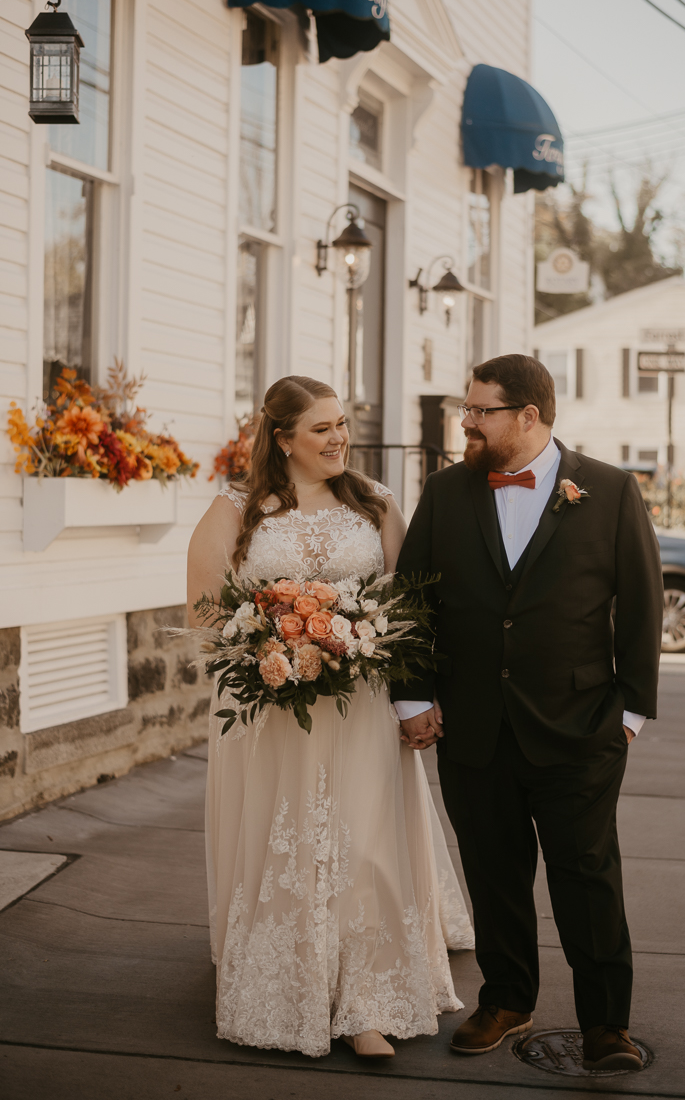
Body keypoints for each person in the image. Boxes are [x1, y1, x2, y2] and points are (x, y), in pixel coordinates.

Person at [188, 376, 473, 1060]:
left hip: (362, 706)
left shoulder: (375, 505)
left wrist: (394, 676)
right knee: (286, 840)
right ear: (282, 438)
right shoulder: (235, 510)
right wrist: (267, 648)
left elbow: (409, 605)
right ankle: (285, 975)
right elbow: (206, 617)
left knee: (363, 838)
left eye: (341, 423)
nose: (338, 437)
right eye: (321, 428)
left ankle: (366, 1000)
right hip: (273, 712)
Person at [392, 354, 662, 1072]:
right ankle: (507, 999)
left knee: (587, 875)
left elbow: (641, 603)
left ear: (529, 416)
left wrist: (630, 713)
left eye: (480, 411)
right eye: (467, 408)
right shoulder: (447, 491)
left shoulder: (607, 489)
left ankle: (607, 1023)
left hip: (580, 729)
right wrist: (413, 696)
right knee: (493, 873)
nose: (467, 421)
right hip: (473, 729)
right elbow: (410, 600)